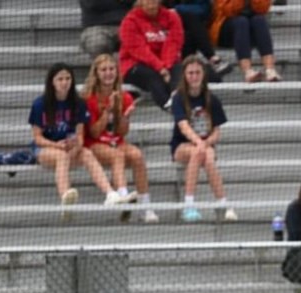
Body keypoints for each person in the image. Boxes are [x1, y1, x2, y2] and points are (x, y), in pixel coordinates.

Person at [29, 63, 128, 207]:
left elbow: (80, 135)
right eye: (60, 79)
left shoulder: (78, 103)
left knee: (86, 153)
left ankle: (110, 194)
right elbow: (37, 138)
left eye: (68, 78)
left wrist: (76, 146)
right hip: (45, 150)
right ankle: (65, 197)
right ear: (52, 82)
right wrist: (56, 145)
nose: (64, 82)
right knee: (61, 156)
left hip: (70, 148)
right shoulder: (39, 104)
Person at [82, 54, 158, 223]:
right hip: (94, 143)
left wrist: (124, 117)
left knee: (137, 155)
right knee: (117, 155)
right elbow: (93, 132)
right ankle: (123, 196)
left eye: (111, 69)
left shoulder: (125, 97)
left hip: (116, 141)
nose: (108, 73)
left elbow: (122, 132)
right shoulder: (88, 99)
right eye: (103, 70)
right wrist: (107, 111)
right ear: (96, 73)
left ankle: (146, 207)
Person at [170, 55, 236, 222]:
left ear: (203, 74)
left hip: (206, 145)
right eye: (190, 73)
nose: (194, 76)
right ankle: (189, 205)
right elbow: (183, 126)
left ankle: (223, 203)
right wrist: (199, 143)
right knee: (197, 153)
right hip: (182, 145)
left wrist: (205, 143)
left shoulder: (212, 99)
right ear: (185, 75)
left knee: (207, 158)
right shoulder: (178, 98)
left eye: (197, 72)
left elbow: (216, 132)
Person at [119, 0, 184, 109]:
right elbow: (139, 50)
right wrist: (160, 68)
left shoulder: (172, 17)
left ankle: (177, 97)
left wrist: (166, 66)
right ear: (141, 2)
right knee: (152, 76)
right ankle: (169, 106)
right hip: (135, 64)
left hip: (166, 61)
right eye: (147, 2)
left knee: (178, 69)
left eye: (154, 2)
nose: (151, 5)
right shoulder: (130, 21)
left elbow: (173, 43)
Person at [209, 0, 281, 82]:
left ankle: (270, 70)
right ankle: (248, 71)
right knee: (241, 21)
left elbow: (263, 9)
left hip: (250, 32)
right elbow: (227, 10)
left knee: (259, 20)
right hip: (224, 30)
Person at [170, 0, 234, 79]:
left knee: (190, 27)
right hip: (161, 23)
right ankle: (213, 59)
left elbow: (203, 9)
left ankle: (191, 72)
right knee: (190, 22)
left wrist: (177, 9)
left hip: (187, 26)